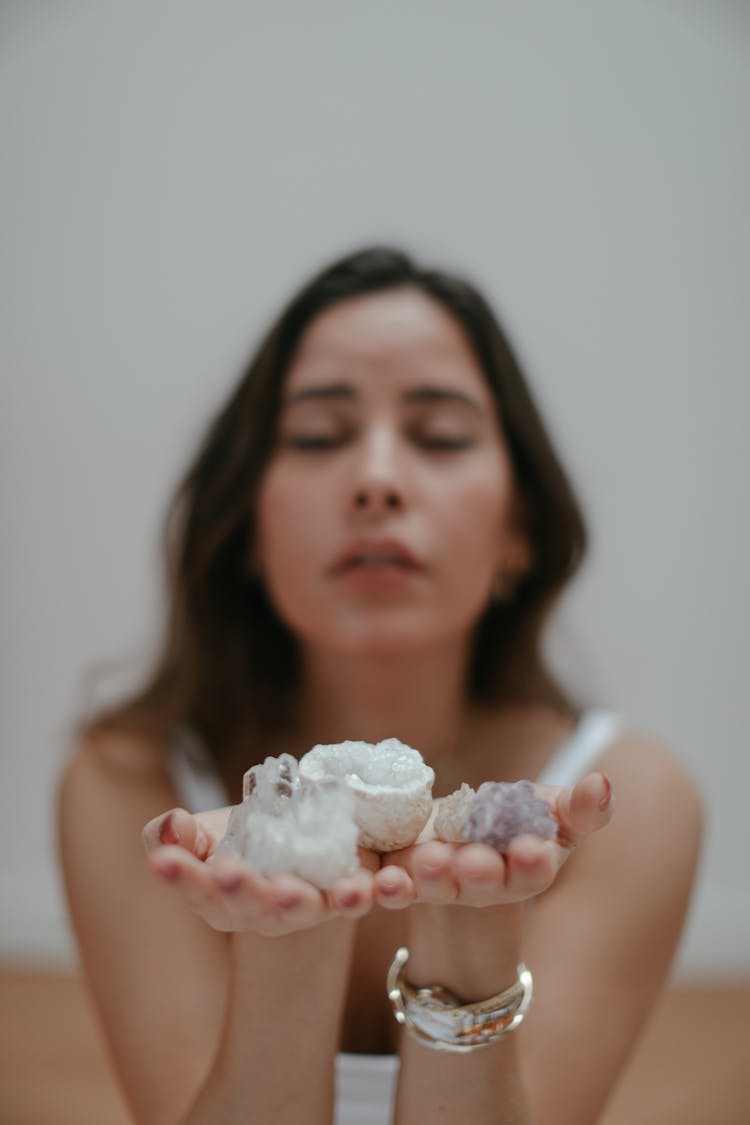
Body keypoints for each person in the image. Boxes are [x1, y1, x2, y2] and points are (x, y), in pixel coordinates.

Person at [58, 246, 702, 1125]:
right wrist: (290, 927)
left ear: (518, 526)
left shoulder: (638, 804)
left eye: (439, 437)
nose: (376, 480)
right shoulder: (130, 790)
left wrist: (472, 930)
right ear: (248, 524)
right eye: (320, 437)